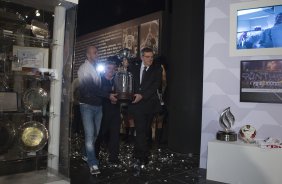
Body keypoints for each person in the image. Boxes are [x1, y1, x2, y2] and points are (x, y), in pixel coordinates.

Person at [77, 45, 117, 175]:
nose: (97, 55)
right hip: (87, 106)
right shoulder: (84, 69)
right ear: (88, 55)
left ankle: (85, 153)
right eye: (95, 53)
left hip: (98, 107)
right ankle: (93, 163)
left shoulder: (96, 69)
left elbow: (100, 87)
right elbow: (92, 88)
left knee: (95, 135)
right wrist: (108, 95)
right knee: (90, 135)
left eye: (97, 53)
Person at [128, 47, 162, 169]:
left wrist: (142, 95)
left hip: (150, 105)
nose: (150, 59)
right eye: (147, 57)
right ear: (142, 57)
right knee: (141, 129)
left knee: (145, 130)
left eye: (151, 57)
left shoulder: (157, 69)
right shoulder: (134, 67)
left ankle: (138, 153)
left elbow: (155, 86)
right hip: (137, 105)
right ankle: (142, 157)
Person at [97, 61, 122, 164]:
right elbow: (96, 91)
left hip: (115, 112)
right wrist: (109, 96)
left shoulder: (117, 80)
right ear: (105, 69)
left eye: (113, 68)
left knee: (115, 135)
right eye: (108, 68)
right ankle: (94, 157)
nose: (111, 70)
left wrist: (117, 99)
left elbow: (122, 93)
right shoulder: (99, 79)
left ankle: (114, 158)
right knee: (99, 134)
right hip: (101, 112)